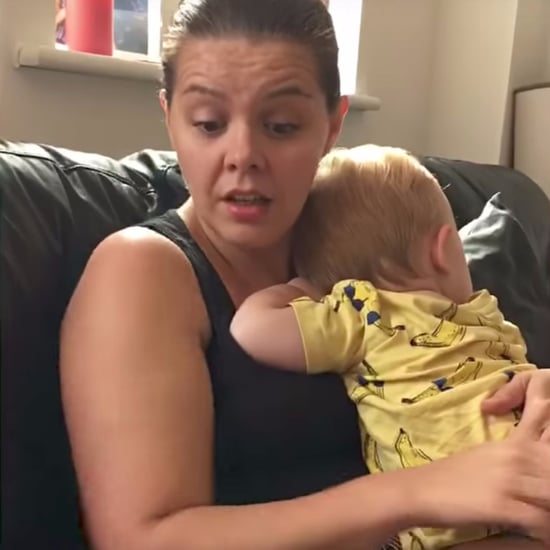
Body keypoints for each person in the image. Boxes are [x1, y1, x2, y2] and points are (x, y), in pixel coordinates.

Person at [59, 1, 550, 549]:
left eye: (281, 125)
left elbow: (445, 353)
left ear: (332, 126)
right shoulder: (142, 270)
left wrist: (521, 393)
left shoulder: (362, 238)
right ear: (169, 117)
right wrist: (421, 491)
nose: (242, 154)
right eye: (208, 124)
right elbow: (141, 540)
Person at [230, 144, 542, 549]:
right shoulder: (460, 313)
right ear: (444, 248)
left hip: (466, 513)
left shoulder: (363, 318)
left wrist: (301, 288)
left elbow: (250, 328)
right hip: (491, 498)